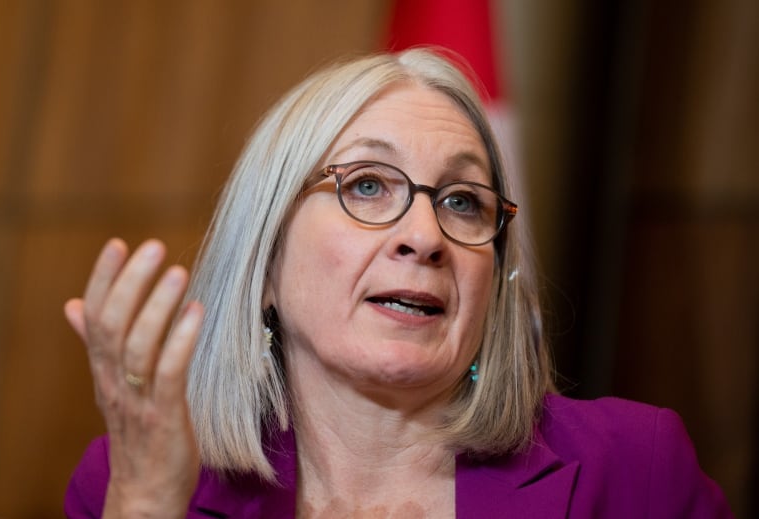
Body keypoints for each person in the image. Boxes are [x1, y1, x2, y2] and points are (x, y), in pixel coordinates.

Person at [63, 48, 731, 518]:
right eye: (367, 185)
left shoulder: (637, 469)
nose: (425, 235)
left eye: (464, 200)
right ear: (264, 260)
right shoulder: (129, 479)